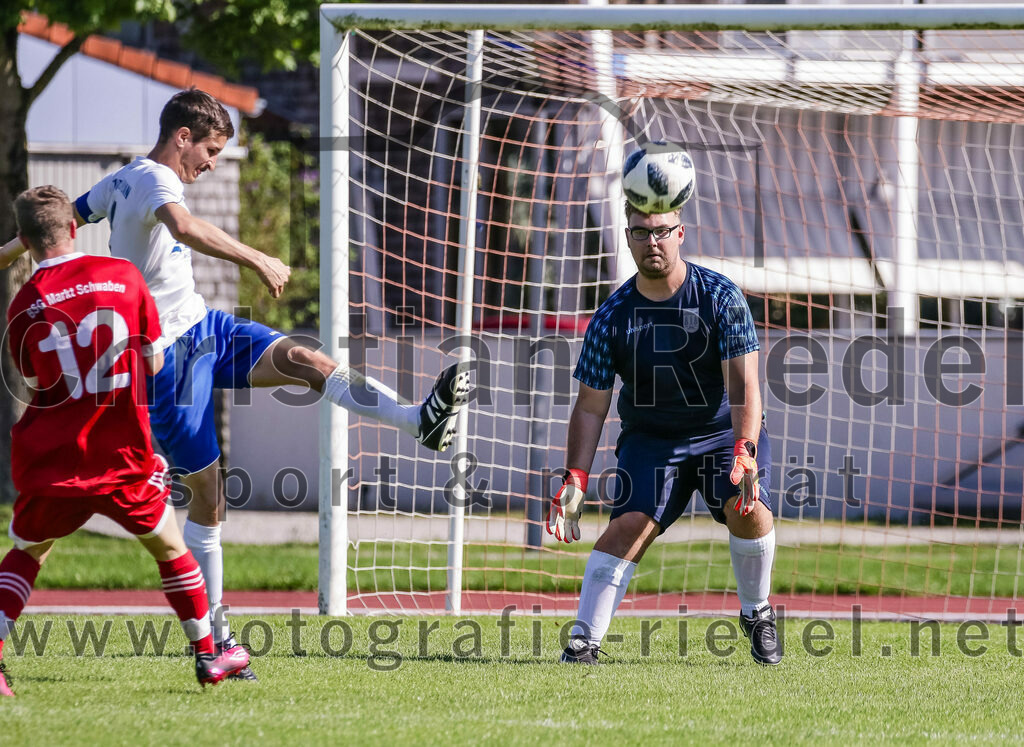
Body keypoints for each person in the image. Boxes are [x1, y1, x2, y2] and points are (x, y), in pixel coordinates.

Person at [0, 89, 471, 681]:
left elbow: (54, 222)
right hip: (169, 359)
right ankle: (216, 636)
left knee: (307, 361)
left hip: (207, 328)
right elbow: (184, 226)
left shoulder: (120, 181)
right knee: (209, 496)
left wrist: (6, 253)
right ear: (182, 138)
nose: (212, 163)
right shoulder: (152, 180)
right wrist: (256, 258)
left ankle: (418, 420)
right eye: (211, 150)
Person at [0, 186, 250, 696]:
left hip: (54, 458)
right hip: (121, 454)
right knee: (171, 550)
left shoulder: (24, 304)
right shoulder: (123, 277)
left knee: (27, 552)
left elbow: (34, 380)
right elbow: (154, 362)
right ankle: (209, 656)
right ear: (74, 227)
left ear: (24, 240)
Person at [547, 192, 780, 666]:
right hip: (652, 440)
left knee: (749, 507)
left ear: (680, 233)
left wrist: (745, 448)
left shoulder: (721, 297)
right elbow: (590, 407)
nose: (652, 241)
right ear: (628, 237)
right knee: (628, 527)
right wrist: (576, 477)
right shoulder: (610, 318)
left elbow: (744, 386)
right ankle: (583, 642)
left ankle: (757, 612)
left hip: (723, 433)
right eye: (641, 232)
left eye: (661, 231)